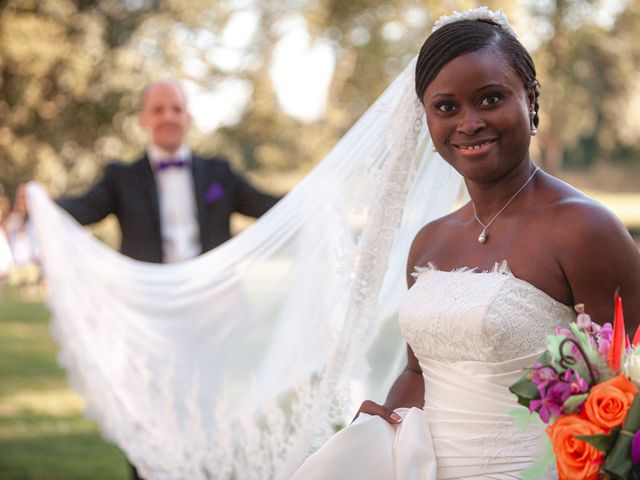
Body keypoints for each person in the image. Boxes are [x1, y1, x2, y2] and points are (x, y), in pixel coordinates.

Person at [292, 8, 640, 479]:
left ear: (532, 101)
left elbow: (628, 388)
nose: (469, 122)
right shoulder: (430, 242)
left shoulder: (583, 230)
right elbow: (420, 373)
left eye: (490, 99)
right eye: (447, 107)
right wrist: (384, 424)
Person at [17, 80, 279, 264]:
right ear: (144, 118)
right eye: (158, 109)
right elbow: (84, 209)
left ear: (188, 117)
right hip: (149, 307)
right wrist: (42, 204)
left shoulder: (219, 173)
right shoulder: (121, 178)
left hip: (214, 302)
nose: (168, 117)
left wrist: (316, 192)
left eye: (176, 109)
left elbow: (267, 206)